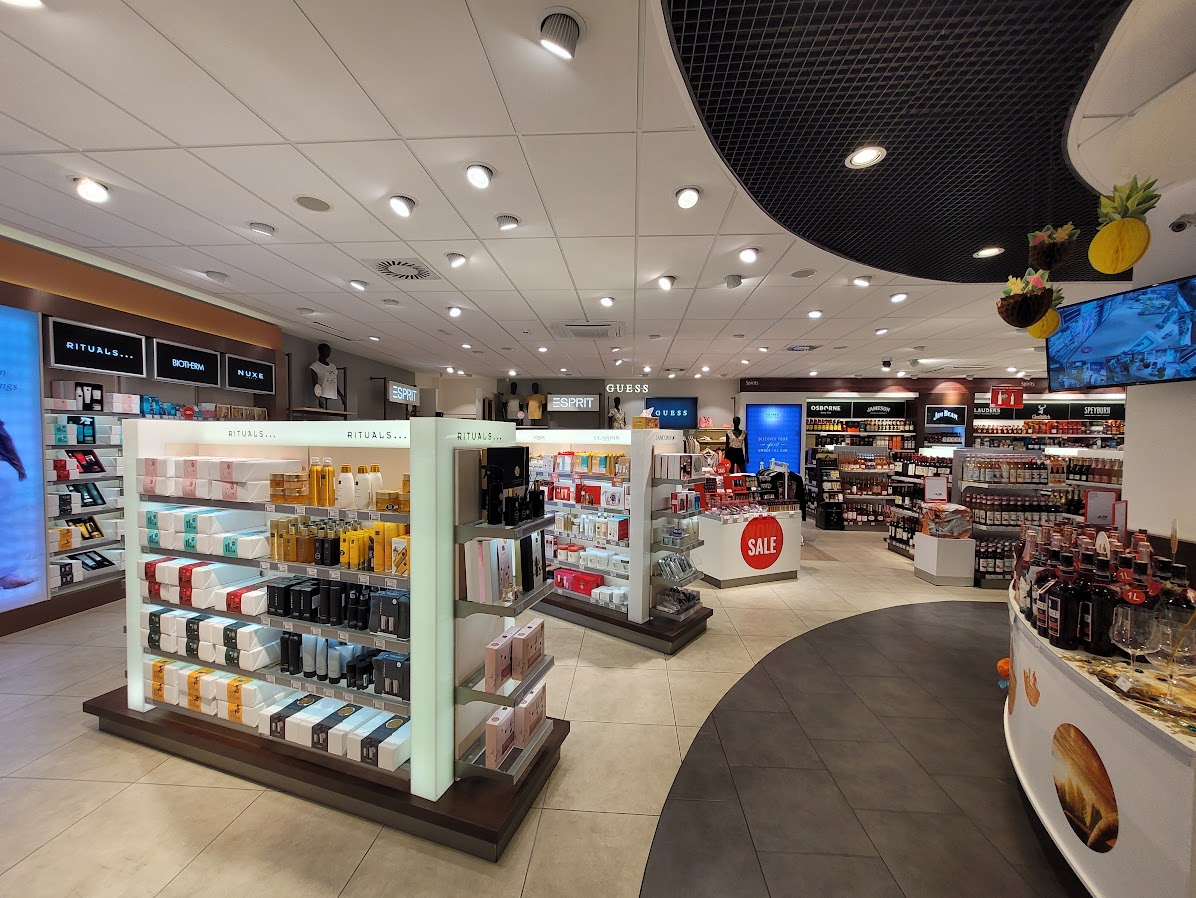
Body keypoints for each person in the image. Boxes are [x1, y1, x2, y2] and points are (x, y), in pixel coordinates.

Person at [309, 344, 345, 410]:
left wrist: (341, 396)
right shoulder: (315, 366)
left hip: (333, 395)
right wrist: (318, 398)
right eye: (326, 350)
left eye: (329, 351)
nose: (328, 352)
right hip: (323, 395)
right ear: (320, 351)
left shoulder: (333, 367)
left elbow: (334, 383)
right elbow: (315, 384)